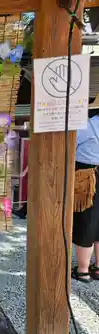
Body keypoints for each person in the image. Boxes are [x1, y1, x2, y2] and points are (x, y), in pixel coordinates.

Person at [72, 100, 99, 282]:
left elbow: (70, 148)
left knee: (87, 222)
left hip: (87, 177)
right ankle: (97, 268)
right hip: (91, 175)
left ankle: (83, 270)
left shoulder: (89, 125)